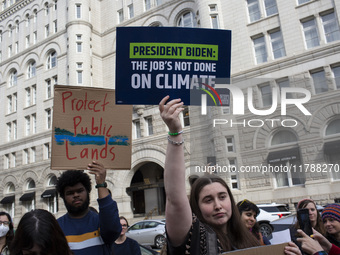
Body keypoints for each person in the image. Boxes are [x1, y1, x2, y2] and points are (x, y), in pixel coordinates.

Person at [159, 96, 265, 254]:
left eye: (222, 197)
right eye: (208, 200)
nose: (218, 205)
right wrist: (175, 132)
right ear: (196, 206)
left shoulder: (249, 239)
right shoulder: (193, 236)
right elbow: (175, 198)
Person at [56, 161, 122, 255]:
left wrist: (101, 184)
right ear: (63, 197)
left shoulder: (101, 223)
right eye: (70, 193)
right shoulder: (56, 227)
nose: (76, 195)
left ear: (88, 192)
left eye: (80, 191)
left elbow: (113, 228)